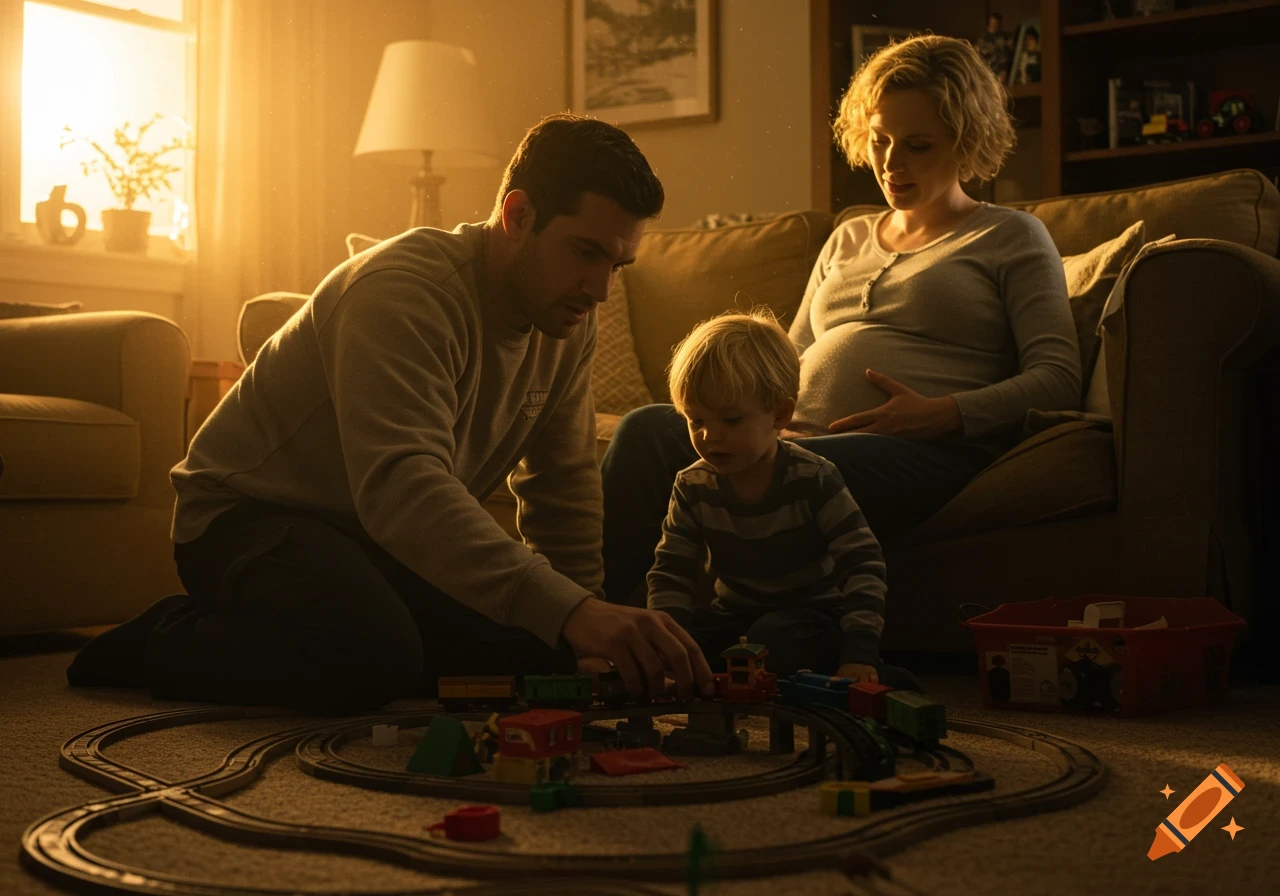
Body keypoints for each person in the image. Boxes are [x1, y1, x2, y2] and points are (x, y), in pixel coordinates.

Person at [67, 113, 715, 714]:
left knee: (536, 649)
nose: (601, 289)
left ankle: (314, 623)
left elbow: (562, 484)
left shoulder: (570, 320)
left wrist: (580, 629)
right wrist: (572, 610)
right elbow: (403, 485)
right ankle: (165, 638)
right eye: (585, 252)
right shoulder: (402, 290)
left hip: (377, 539)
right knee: (371, 655)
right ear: (517, 215)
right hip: (248, 517)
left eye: (617, 264)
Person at [601, 34, 1081, 612]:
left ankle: (750, 646)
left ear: (965, 141)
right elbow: (787, 359)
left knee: (803, 473)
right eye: (879, 141)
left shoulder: (1009, 236)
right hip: (795, 439)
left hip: (930, 452)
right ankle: (584, 621)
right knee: (646, 431)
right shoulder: (848, 236)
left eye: (918, 146)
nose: (890, 164)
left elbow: (1058, 377)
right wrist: (772, 423)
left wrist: (943, 414)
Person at [638, 309, 901, 685]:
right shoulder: (693, 485)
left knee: (776, 639)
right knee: (698, 641)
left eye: (730, 420)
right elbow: (671, 572)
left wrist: (861, 651)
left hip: (809, 617)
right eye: (696, 420)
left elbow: (863, 563)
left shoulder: (815, 478)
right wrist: (669, 647)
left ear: (780, 414)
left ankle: (882, 674)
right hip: (736, 619)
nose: (710, 437)